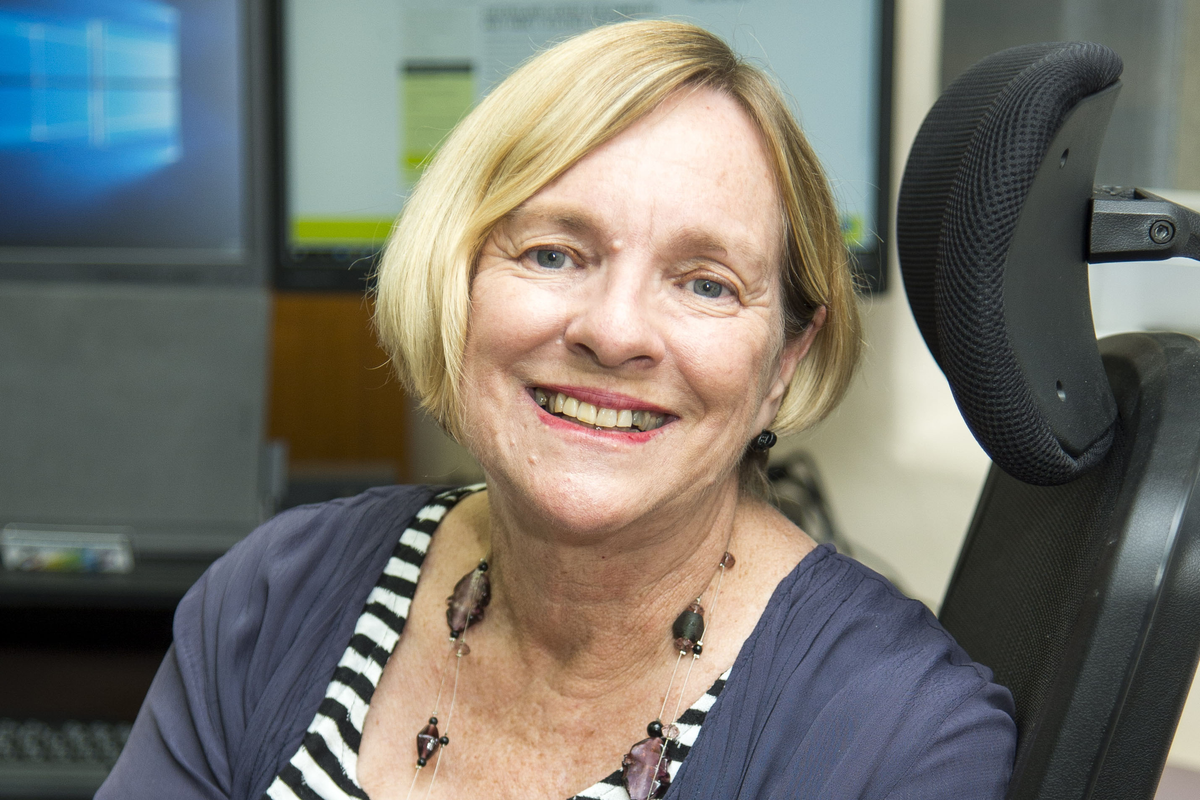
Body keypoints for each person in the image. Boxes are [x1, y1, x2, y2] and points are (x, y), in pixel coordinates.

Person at [99, 19, 1015, 800]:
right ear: (454, 281)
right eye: (552, 254)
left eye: (704, 283)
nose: (614, 333)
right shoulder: (273, 597)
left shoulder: (897, 739)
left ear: (784, 361)